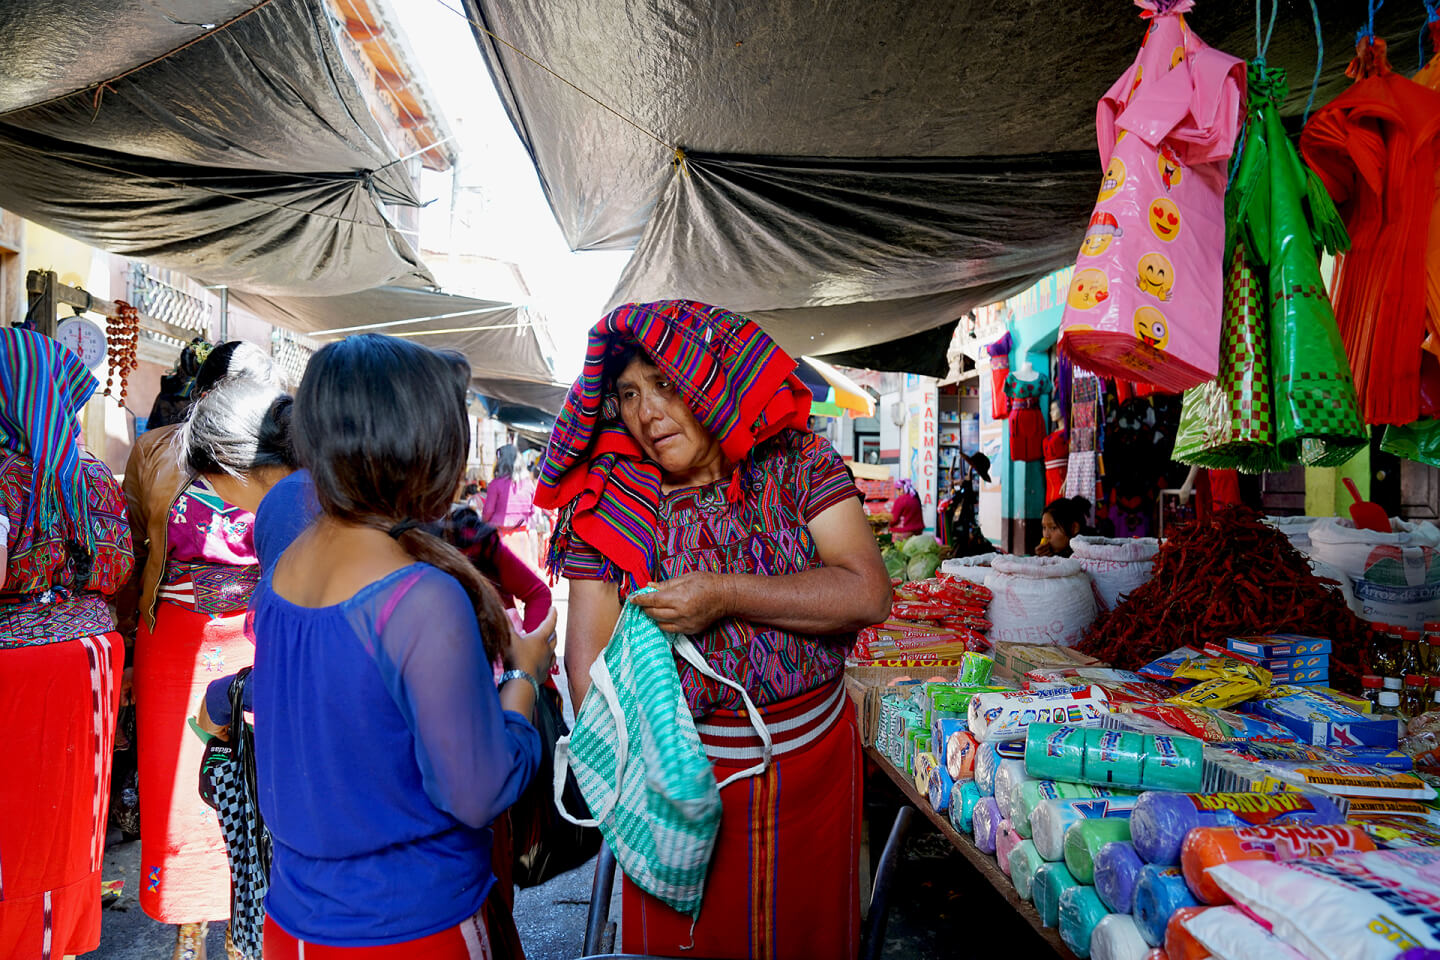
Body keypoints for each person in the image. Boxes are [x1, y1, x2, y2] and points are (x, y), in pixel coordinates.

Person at [539, 300, 891, 960]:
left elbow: (867, 592)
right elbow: (588, 683)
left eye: (664, 384)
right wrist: (667, 777)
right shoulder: (607, 504)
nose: (647, 413)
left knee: (809, 939)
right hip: (678, 793)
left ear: (710, 379)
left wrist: (726, 595)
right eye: (628, 394)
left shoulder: (798, 462)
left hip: (813, 772)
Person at [244, 334, 553, 957]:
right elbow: (478, 791)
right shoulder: (419, 596)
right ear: (424, 448)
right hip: (412, 926)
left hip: (293, 924)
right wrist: (523, 678)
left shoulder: (283, 572)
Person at [121, 375, 296, 960]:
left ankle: (248, 931)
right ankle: (190, 930)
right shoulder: (157, 451)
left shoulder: (292, 496)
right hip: (175, 639)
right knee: (178, 794)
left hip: (258, 632)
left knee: (257, 782)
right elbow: (135, 547)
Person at [0, 329, 135, 960]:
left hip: (18, 667)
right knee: (70, 813)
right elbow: (120, 567)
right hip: (90, 661)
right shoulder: (92, 475)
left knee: (16, 821)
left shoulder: (5, 475)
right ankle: (61, 936)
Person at [481, 444, 538, 568]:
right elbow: (533, 511)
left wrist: (482, 524)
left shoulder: (495, 484)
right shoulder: (529, 484)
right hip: (522, 537)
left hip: (499, 536)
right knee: (521, 573)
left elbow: (487, 512)